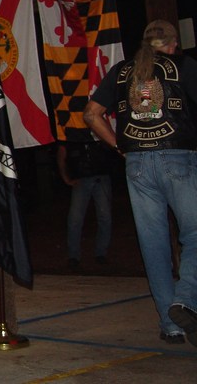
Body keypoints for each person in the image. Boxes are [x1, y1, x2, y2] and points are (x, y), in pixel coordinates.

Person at [84, 19, 197, 346]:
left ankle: (170, 325)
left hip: (136, 163)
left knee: (153, 243)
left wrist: (119, 145)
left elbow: (91, 114)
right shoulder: (183, 65)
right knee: (194, 233)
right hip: (178, 157)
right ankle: (185, 300)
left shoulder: (122, 70)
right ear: (173, 43)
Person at [55, 140, 113, 270]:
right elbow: (61, 155)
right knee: (75, 219)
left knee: (105, 217)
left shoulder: (99, 131)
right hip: (80, 179)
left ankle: (101, 253)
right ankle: (73, 255)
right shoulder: (70, 134)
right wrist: (66, 178)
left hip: (101, 177)